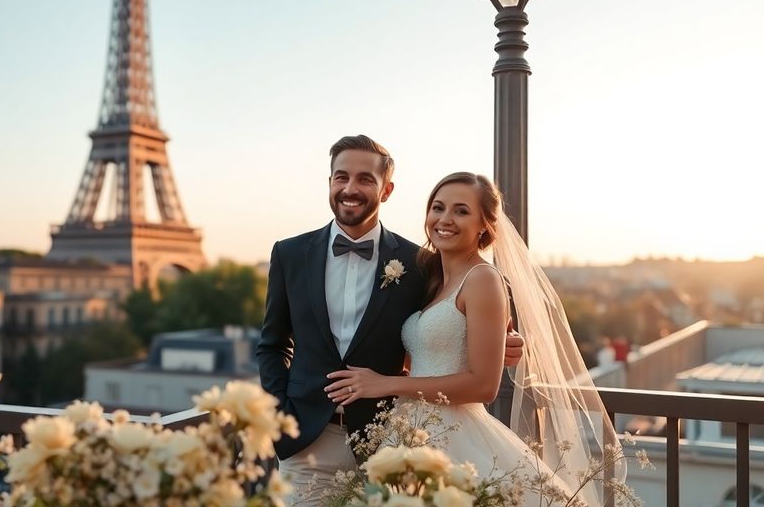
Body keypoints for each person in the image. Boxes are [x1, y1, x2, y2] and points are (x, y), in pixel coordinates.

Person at [325, 172, 625, 505]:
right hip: (410, 431)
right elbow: (428, 352)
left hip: (458, 437)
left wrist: (386, 384)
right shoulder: (431, 279)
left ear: (485, 225)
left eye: (461, 211)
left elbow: (484, 386)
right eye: (438, 208)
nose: (445, 219)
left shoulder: (482, 279)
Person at [255, 138, 525, 506]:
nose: (350, 189)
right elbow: (272, 344)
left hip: (389, 440)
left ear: (386, 190)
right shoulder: (289, 254)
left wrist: (500, 344)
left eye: (365, 179)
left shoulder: (420, 264)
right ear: (330, 182)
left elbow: (448, 329)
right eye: (341, 177)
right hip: (308, 443)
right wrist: (279, 416)